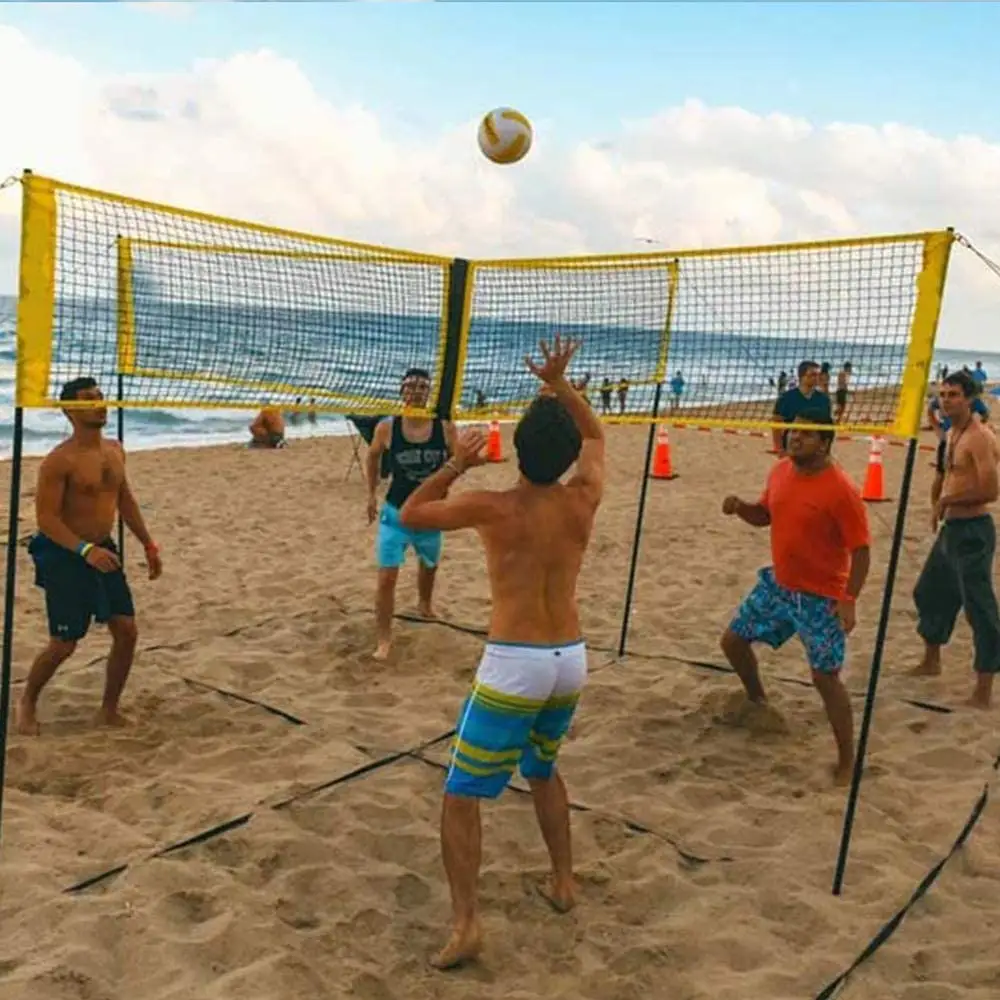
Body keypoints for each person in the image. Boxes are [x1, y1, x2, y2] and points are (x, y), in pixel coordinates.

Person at [398, 336, 604, 971]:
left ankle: (466, 925)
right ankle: (564, 882)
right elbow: (596, 441)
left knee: (461, 795)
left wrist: (457, 461)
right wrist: (563, 386)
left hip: (515, 661)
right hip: (569, 658)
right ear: (566, 454)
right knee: (542, 768)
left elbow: (410, 513)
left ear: (514, 451)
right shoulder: (583, 497)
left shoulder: (494, 506)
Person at [720, 409, 870, 785]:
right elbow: (765, 515)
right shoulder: (781, 471)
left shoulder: (841, 490)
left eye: (805, 434)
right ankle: (758, 701)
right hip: (780, 585)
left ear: (824, 443)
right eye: (792, 431)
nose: (794, 438)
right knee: (733, 641)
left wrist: (849, 599)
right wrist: (741, 508)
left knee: (825, 677)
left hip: (822, 597)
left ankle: (848, 762)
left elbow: (862, 551)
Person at [16, 377, 163, 735]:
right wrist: (85, 550)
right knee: (65, 643)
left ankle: (108, 710)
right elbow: (46, 519)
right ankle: (27, 702)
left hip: (103, 549)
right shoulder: (59, 460)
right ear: (69, 410)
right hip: (66, 552)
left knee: (126, 631)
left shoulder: (115, 449)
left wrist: (148, 543)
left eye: (100, 397)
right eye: (88, 399)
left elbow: (124, 500)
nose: (99, 403)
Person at [912, 370, 1000, 708]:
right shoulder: (952, 433)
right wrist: (937, 502)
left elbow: (990, 489)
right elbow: (946, 474)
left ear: (971, 398)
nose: (946, 399)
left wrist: (948, 501)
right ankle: (931, 660)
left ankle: (984, 689)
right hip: (952, 528)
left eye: (954, 395)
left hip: (974, 530)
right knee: (929, 592)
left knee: (980, 608)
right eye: (943, 394)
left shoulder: (979, 436)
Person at [365, 367, 457, 660]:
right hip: (397, 514)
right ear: (401, 392)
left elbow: (458, 460)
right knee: (386, 578)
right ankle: (383, 640)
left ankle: (425, 605)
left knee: (429, 565)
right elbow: (373, 455)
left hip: (430, 513)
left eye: (421, 386)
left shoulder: (443, 427)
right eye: (411, 386)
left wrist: (446, 486)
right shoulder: (388, 427)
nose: (416, 391)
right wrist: (370, 493)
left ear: (429, 392)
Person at [771, 360, 831, 454]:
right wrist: (779, 448)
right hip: (792, 447)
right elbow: (776, 424)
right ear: (802, 377)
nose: (816, 378)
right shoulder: (786, 398)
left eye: (818, 375)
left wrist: (826, 449)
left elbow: (827, 427)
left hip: (816, 449)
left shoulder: (823, 399)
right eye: (812, 375)